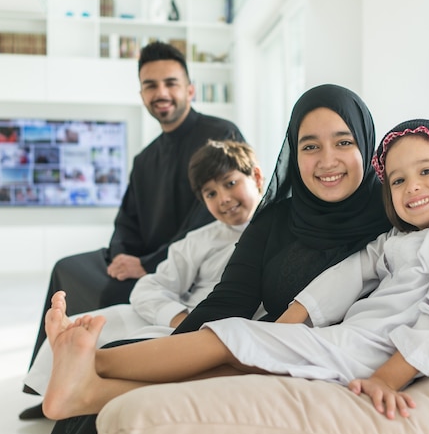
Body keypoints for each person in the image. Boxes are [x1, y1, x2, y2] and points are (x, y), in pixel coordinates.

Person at [41, 83, 429, 434]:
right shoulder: (338, 219)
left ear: (364, 146)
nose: (326, 159)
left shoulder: (410, 205)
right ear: (293, 152)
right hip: (309, 334)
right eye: (309, 145)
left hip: (348, 347)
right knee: (225, 339)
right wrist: (293, 316)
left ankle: (92, 373)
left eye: (343, 141)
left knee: (230, 345)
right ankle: (89, 379)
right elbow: (260, 293)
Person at [40, 118, 429, 421]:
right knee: (229, 367)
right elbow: (347, 274)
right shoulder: (396, 238)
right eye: (397, 179)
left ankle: (93, 361)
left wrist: (388, 378)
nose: (413, 187)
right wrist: (293, 322)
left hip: (364, 353)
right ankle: (85, 394)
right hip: (341, 342)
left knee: (222, 338)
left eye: (427, 172)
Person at [19, 41, 245, 420]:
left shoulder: (220, 133)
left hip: (173, 262)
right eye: (150, 85)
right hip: (142, 258)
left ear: (189, 89)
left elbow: (212, 217)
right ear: (141, 94)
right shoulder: (145, 158)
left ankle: (87, 384)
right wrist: (122, 253)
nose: (161, 93)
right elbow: (126, 219)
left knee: (107, 289)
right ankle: (45, 382)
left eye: (170, 83)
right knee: (67, 268)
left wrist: (145, 263)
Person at [22, 139, 265, 401]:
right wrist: (180, 318)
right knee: (97, 326)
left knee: (133, 350)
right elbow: (149, 287)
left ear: (257, 176)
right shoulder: (199, 240)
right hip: (183, 317)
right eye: (211, 194)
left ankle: (80, 385)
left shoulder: (282, 230)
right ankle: (65, 370)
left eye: (230, 183)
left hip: (217, 329)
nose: (224, 199)